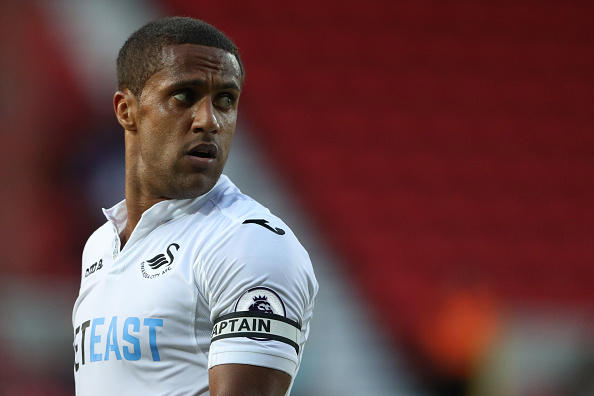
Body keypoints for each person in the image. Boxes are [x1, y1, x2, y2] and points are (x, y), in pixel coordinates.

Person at [72, 17, 318, 396]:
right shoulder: (100, 246)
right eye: (184, 95)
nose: (209, 121)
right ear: (126, 110)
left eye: (226, 100)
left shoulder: (248, 245)